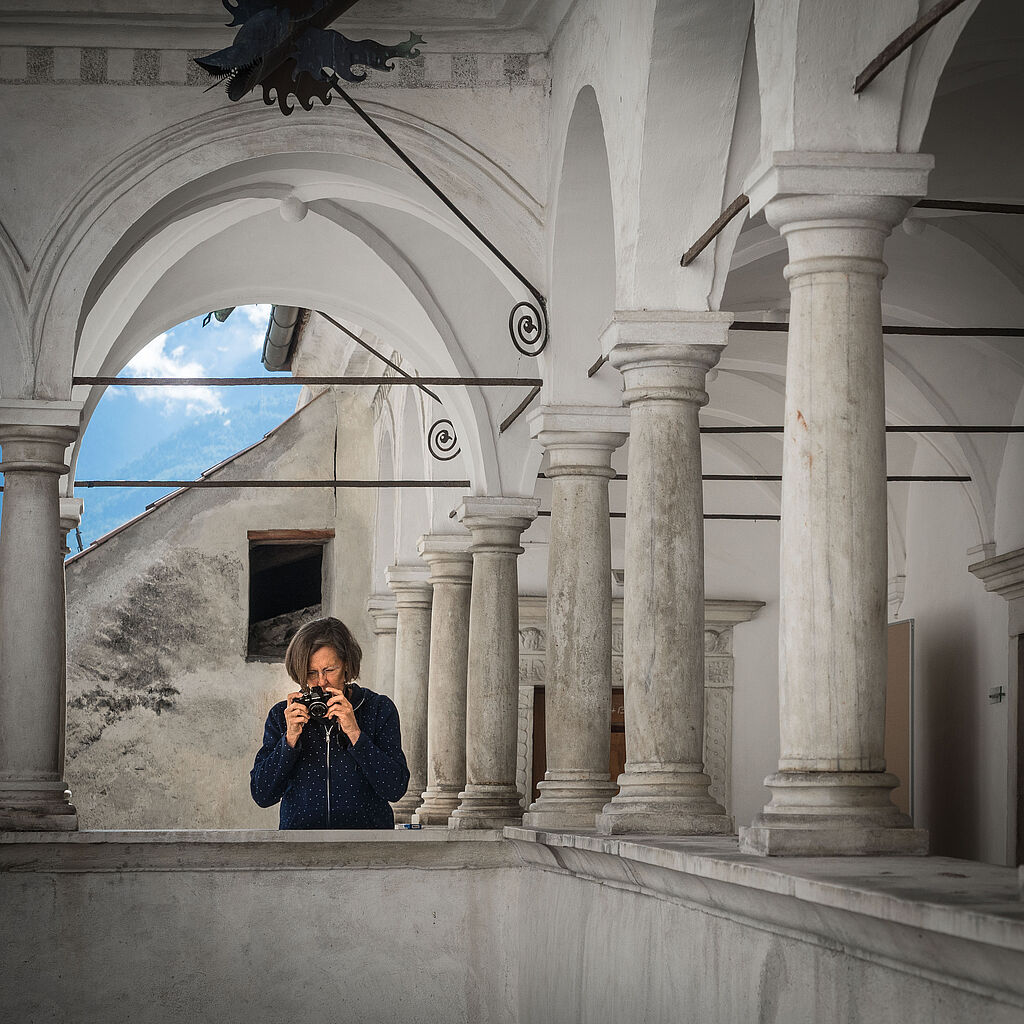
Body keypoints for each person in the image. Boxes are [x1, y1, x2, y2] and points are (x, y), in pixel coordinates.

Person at [251, 616, 410, 829]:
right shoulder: (282, 715)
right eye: (311, 673)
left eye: (329, 670)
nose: (321, 681)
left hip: (367, 844)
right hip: (300, 844)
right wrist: (289, 740)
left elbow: (395, 789)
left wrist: (355, 733)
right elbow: (262, 795)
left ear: (347, 665)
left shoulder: (378, 708)